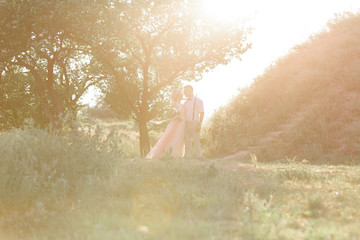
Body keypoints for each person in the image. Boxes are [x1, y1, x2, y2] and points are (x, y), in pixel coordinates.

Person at [146, 89, 185, 159]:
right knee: (170, 137)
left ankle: (177, 154)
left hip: (182, 124)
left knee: (179, 138)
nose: (181, 96)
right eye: (180, 95)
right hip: (176, 123)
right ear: (177, 96)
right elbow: (170, 114)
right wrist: (176, 116)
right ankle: (165, 154)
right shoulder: (174, 103)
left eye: (181, 95)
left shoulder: (181, 104)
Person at [182, 85, 204, 159]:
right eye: (184, 91)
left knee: (196, 142)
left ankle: (199, 157)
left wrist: (199, 124)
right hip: (186, 124)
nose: (184, 92)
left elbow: (202, 113)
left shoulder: (198, 100)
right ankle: (187, 158)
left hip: (194, 123)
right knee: (187, 142)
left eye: (185, 91)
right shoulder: (185, 102)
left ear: (191, 90)